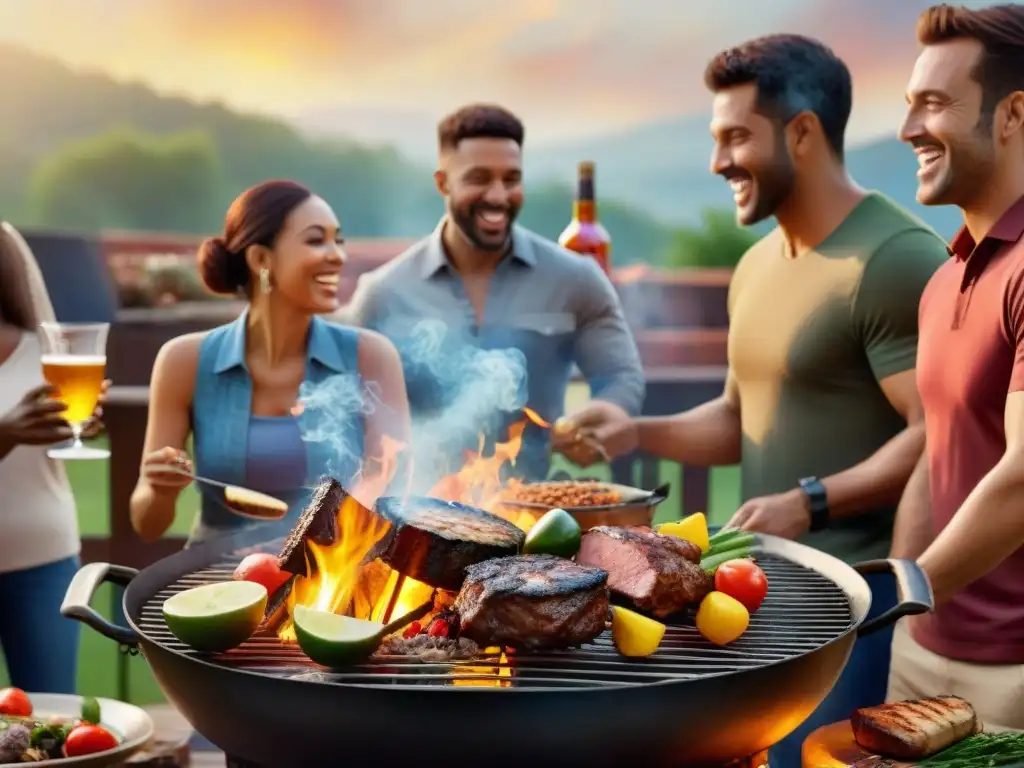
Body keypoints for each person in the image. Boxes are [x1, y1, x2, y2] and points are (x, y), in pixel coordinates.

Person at [567, 35, 949, 767]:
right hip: (758, 605)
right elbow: (739, 419)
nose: (719, 162)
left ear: (802, 133)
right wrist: (632, 431)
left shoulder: (897, 259)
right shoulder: (755, 266)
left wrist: (809, 501)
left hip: (855, 613)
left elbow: (933, 432)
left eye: (737, 137)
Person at [341, 105, 644, 483]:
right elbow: (345, 404)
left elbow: (620, 375)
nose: (499, 196)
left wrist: (608, 409)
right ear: (442, 183)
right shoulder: (383, 291)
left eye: (511, 179)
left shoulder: (576, 278)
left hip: (532, 520)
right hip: (415, 518)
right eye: (479, 179)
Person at [129, 180, 411, 546]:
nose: (338, 256)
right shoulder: (184, 360)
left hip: (332, 580)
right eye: (316, 240)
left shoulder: (371, 356)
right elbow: (147, 523)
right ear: (261, 259)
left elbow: (397, 494)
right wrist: (159, 488)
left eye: (337, 240)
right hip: (215, 580)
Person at [887, 3, 1024, 731]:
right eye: (910, 105)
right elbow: (935, 450)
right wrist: (899, 611)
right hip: (920, 646)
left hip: (1012, 675)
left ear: (1012, 114)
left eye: (934, 104)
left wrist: (913, 587)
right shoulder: (945, 279)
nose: (910, 129)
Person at [0, 222, 103, 692]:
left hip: (45, 561)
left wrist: (81, 423)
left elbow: (63, 428)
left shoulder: (48, 351)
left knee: (52, 714)